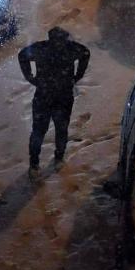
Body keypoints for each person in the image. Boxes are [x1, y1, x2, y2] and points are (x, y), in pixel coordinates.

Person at [18, 27, 90, 169]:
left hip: (45, 95)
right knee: (60, 129)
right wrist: (77, 75)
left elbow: (22, 56)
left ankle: (35, 163)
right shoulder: (70, 49)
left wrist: (31, 77)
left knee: (40, 130)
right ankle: (57, 157)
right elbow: (85, 53)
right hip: (61, 96)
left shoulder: (41, 48)